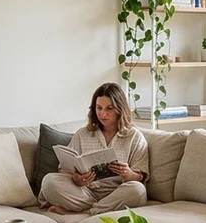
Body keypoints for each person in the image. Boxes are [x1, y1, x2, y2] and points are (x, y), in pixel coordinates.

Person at [39, 83, 150, 214]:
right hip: (84, 193)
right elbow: (65, 170)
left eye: (109, 108)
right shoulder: (83, 134)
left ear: (120, 109)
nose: (103, 114)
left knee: (138, 190)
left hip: (118, 193)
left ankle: (85, 213)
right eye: (99, 108)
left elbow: (141, 177)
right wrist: (77, 179)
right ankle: (99, 210)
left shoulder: (134, 137)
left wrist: (128, 173)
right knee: (49, 181)